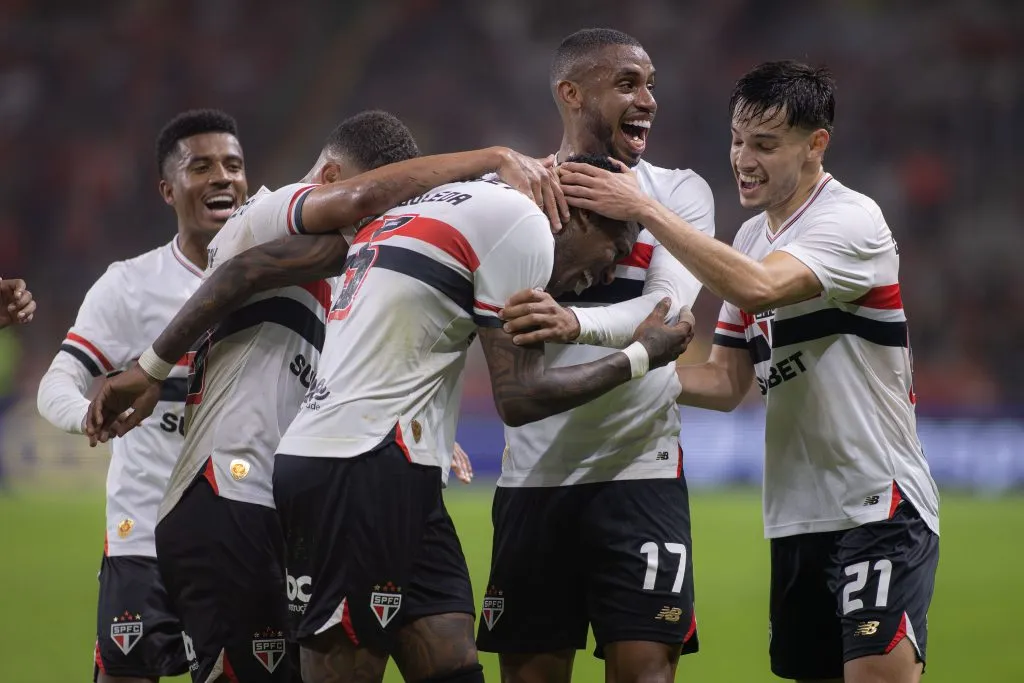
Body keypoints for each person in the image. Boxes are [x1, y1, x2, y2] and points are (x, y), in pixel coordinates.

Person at [86, 110, 570, 683]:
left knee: (447, 659)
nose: (387, 218)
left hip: (304, 495)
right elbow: (308, 231)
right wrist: (490, 160)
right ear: (331, 177)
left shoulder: (358, 264)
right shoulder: (266, 214)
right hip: (227, 493)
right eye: (380, 205)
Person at [558, 60, 940, 683]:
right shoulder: (748, 240)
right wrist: (608, 374)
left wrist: (647, 210)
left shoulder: (851, 220)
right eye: (737, 140)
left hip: (878, 504)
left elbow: (760, 290)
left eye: (765, 144)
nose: (743, 158)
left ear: (816, 145)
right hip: (795, 517)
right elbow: (725, 382)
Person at [270, 153, 694, 683]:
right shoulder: (525, 227)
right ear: (580, 216)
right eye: (616, 249)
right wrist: (641, 356)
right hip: (357, 463)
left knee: (453, 661)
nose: (609, 271)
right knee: (346, 668)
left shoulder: (456, 200)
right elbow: (520, 397)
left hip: (397, 458)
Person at [475, 28, 715, 683]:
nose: (648, 100)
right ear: (571, 93)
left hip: (642, 472)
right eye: (628, 84)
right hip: (534, 480)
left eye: (652, 84)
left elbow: (666, 318)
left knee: (645, 674)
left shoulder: (680, 193)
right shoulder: (511, 201)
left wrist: (568, 319)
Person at [37, 109, 247, 683]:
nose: (223, 177)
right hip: (145, 535)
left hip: (246, 533)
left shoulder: (283, 281)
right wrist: (92, 414)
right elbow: (58, 380)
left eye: (233, 164)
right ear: (168, 189)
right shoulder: (130, 285)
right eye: (200, 166)